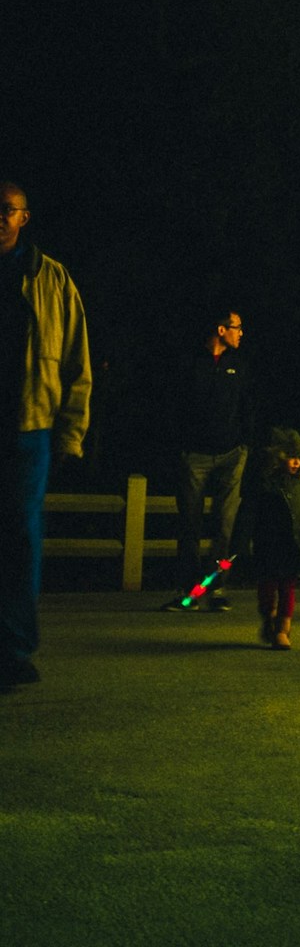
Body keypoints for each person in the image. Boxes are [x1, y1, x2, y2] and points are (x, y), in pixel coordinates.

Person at [0, 182, 91, 689]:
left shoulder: (51, 278)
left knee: (20, 538)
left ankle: (14, 648)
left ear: (24, 217)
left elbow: (77, 362)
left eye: (6, 210)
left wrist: (71, 434)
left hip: (27, 427)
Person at [168, 307, 255, 611]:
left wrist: (245, 444)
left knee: (225, 527)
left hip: (232, 454)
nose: (241, 333)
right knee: (189, 524)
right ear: (221, 330)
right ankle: (190, 593)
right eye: (237, 327)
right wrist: (181, 447)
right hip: (195, 455)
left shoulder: (239, 365)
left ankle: (216, 588)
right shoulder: (190, 362)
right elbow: (175, 406)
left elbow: (248, 405)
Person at [250, 427, 300, 650]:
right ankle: (269, 616)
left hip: (294, 544)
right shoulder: (267, 483)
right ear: (279, 458)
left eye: (299, 458)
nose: (296, 462)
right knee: (267, 585)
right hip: (270, 542)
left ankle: (283, 629)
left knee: (288, 586)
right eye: (291, 457)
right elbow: (252, 507)